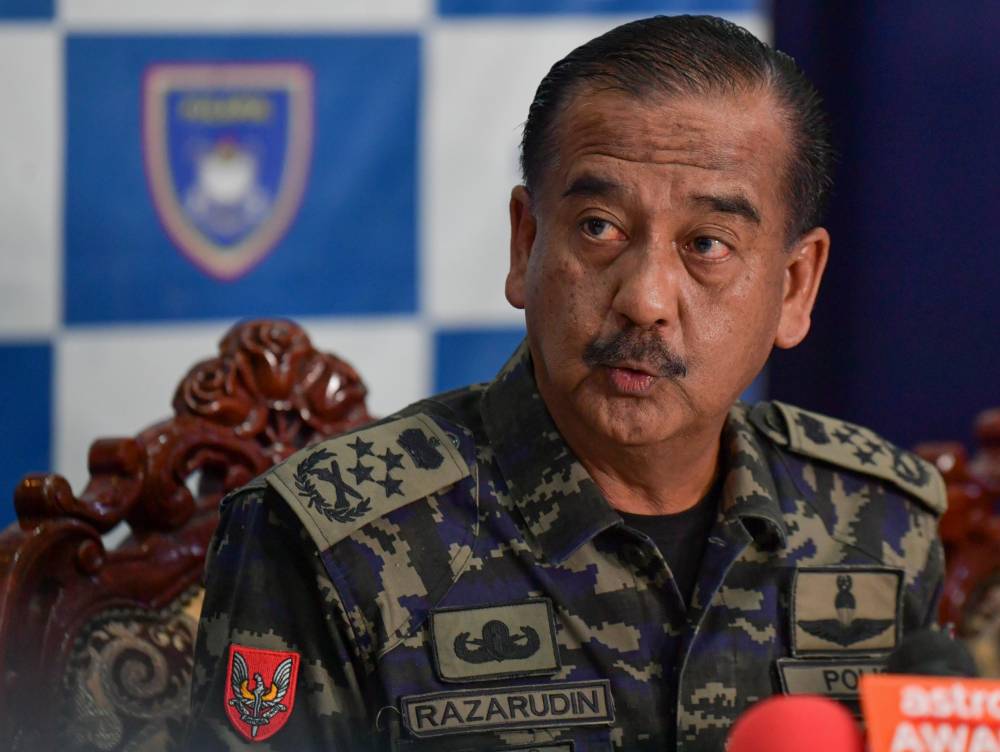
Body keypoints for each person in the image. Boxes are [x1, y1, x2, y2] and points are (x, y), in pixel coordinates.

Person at [186, 14, 945, 751]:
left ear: (795, 285)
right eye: (599, 228)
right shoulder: (329, 541)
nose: (644, 298)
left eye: (707, 244)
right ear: (525, 244)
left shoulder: (879, 524)